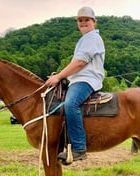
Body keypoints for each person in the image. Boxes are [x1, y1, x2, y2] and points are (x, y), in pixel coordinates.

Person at [45, 6, 105, 162]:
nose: (83, 23)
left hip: (86, 80)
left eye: (87, 20)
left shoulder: (92, 38)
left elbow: (80, 63)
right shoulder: (85, 39)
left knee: (70, 104)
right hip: (78, 79)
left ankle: (79, 148)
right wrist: (62, 76)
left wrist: (58, 77)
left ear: (94, 22)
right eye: (80, 20)